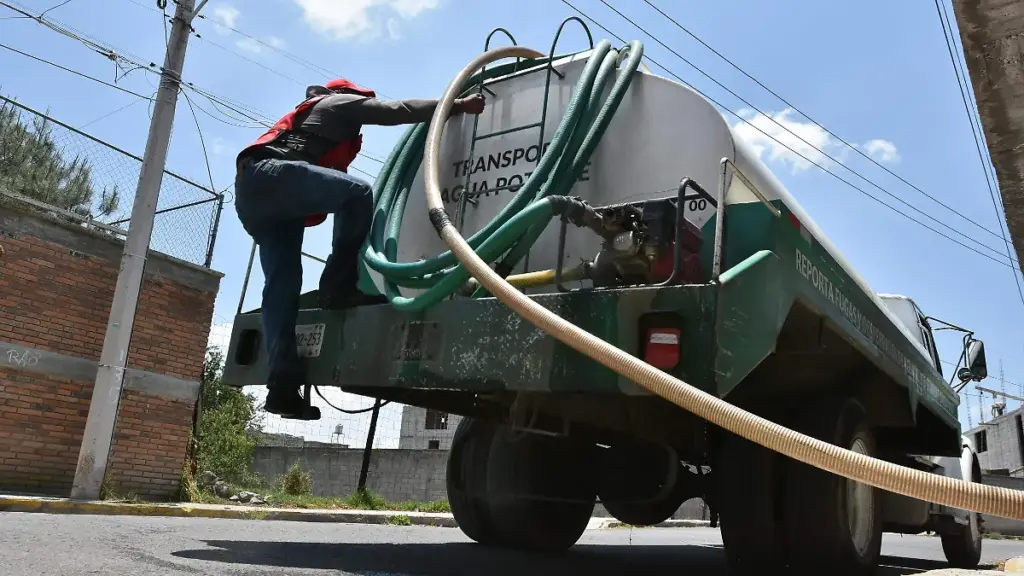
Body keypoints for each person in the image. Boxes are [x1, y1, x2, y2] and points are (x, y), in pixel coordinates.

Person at [234, 78, 486, 420]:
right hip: (273, 176)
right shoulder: (338, 103)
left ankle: (282, 388)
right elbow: (398, 110)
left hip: (253, 192)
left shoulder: (309, 115)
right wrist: (456, 105)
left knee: (282, 288)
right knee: (357, 193)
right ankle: (337, 287)